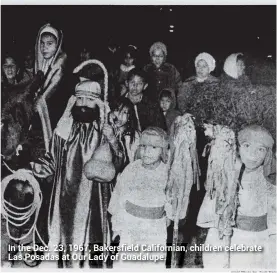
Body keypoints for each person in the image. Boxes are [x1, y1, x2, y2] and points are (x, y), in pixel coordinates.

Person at [30, 80, 124, 268]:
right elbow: (53, 157)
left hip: (94, 199)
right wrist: (41, 167)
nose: (82, 104)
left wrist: (113, 140)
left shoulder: (104, 130)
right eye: (79, 99)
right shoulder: (65, 127)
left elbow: (119, 163)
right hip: (65, 196)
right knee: (66, 236)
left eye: (89, 100)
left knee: (92, 237)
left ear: (98, 104)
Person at [197, 125, 276, 269]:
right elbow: (214, 210)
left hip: (259, 241)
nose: (253, 154)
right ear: (238, 147)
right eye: (247, 146)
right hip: (231, 239)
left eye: (261, 149)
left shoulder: (269, 178)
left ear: (268, 154)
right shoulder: (227, 174)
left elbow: (273, 215)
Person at [108, 127, 172, 269]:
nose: (146, 151)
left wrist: (169, 215)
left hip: (154, 228)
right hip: (131, 225)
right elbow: (119, 195)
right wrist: (117, 226)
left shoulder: (166, 172)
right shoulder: (132, 168)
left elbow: (170, 200)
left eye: (154, 147)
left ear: (162, 150)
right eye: (143, 146)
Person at [33, 23, 67, 149]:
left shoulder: (60, 67)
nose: (44, 48)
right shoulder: (43, 64)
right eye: (42, 43)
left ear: (58, 45)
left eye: (49, 43)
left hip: (55, 118)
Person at [108, 97, 140, 171]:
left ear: (129, 117)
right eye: (117, 110)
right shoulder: (107, 129)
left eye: (125, 112)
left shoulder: (133, 135)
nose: (120, 116)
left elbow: (132, 161)